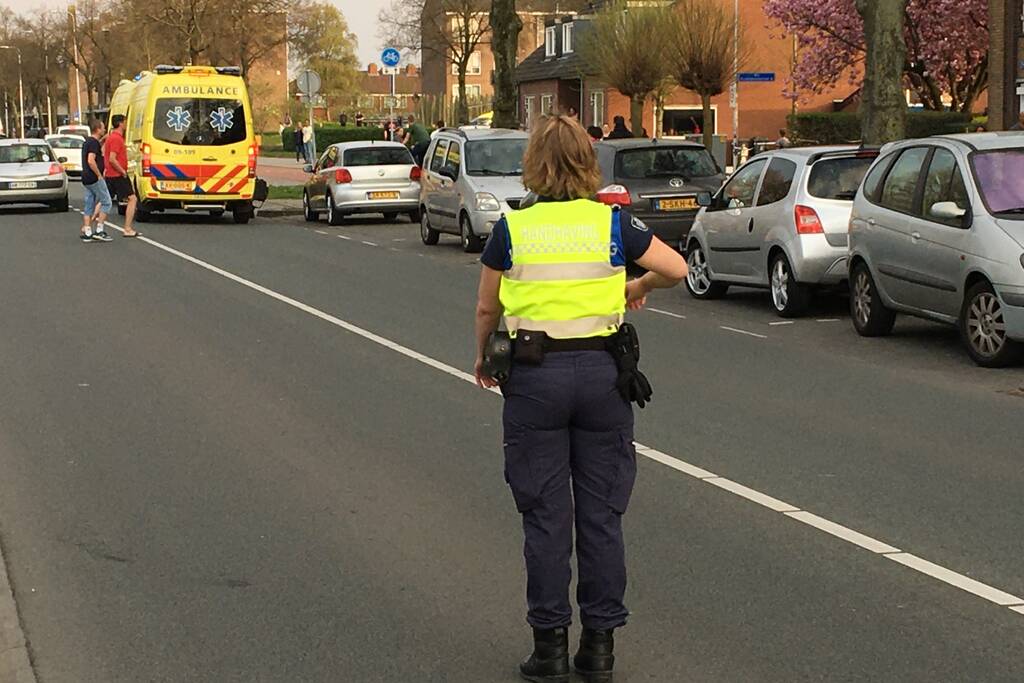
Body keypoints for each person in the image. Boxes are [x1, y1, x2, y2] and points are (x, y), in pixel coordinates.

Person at [473, 115, 688, 683]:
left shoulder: (511, 230)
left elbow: (487, 310)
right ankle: (599, 650)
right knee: (601, 516)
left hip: (534, 379)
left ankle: (547, 651)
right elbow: (677, 268)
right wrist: (634, 286)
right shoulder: (613, 224)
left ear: (534, 165)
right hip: (602, 378)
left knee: (545, 516)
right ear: (587, 163)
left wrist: (483, 359)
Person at [103, 114, 140, 238]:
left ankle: (90, 222)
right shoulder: (116, 139)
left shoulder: (111, 137)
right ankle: (127, 228)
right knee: (132, 199)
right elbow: (113, 159)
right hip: (118, 174)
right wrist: (122, 171)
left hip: (111, 174)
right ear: (120, 123)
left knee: (105, 199)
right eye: (124, 121)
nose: (126, 124)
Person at [80, 119, 113, 243]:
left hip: (86, 177)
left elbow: (94, 147)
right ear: (98, 129)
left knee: (89, 204)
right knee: (107, 202)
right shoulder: (94, 144)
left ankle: (88, 231)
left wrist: (103, 139)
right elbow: (90, 160)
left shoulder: (88, 142)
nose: (104, 129)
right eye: (103, 128)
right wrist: (99, 174)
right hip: (94, 177)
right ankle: (99, 230)